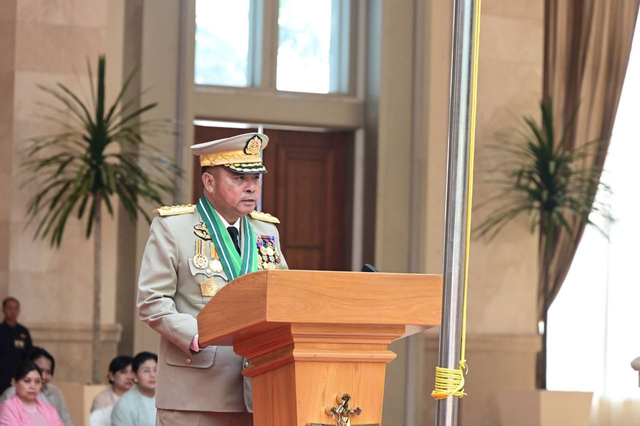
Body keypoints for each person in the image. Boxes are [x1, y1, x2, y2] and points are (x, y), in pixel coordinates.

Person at [137, 133, 287, 425]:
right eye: (238, 178)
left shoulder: (266, 231)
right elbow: (151, 301)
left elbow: (283, 296)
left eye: (255, 178)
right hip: (194, 390)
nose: (251, 187)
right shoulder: (173, 227)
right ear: (209, 182)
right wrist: (199, 334)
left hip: (256, 388)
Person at [0, 347, 74, 426]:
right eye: (27, 381)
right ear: (14, 382)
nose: (33, 386)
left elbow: (66, 422)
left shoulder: (49, 406)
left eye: (37, 381)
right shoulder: (8, 404)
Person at [110, 352, 157, 426]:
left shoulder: (168, 398)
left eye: (156, 370)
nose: (152, 375)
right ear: (134, 375)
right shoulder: (124, 405)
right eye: (146, 371)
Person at [0, 297, 32, 393]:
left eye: (15, 308)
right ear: (3, 310)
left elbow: (29, 354)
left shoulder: (23, 331)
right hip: (2, 377)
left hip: (19, 377)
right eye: (10, 308)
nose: (13, 312)